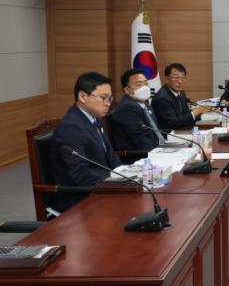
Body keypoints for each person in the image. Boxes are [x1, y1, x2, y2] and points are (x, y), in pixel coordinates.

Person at [50, 72, 121, 212]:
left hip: (101, 187)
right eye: (104, 98)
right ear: (83, 96)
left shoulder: (94, 119)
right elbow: (80, 174)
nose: (108, 103)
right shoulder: (71, 128)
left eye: (110, 98)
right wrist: (116, 180)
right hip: (80, 198)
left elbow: (110, 156)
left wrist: (126, 174)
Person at [110, 68, 164, 160]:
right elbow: (141, 140)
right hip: (136, 157)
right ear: (127, 90)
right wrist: (160, 156)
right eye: (139, 84)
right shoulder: (127, 108)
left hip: (156, 149)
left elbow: (153, 131)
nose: (144, 87)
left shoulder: (144, 103)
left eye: (146, 83)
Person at [151, 63, 207, 130]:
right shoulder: (162, 98)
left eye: (182, 78)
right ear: (167, 78)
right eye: (176, 78)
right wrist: (195, 113)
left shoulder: (181, 93)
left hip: (182, 131)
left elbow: (185, 115)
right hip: (168, 134)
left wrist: (201, 112)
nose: (180, 81)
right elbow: (173, 123)